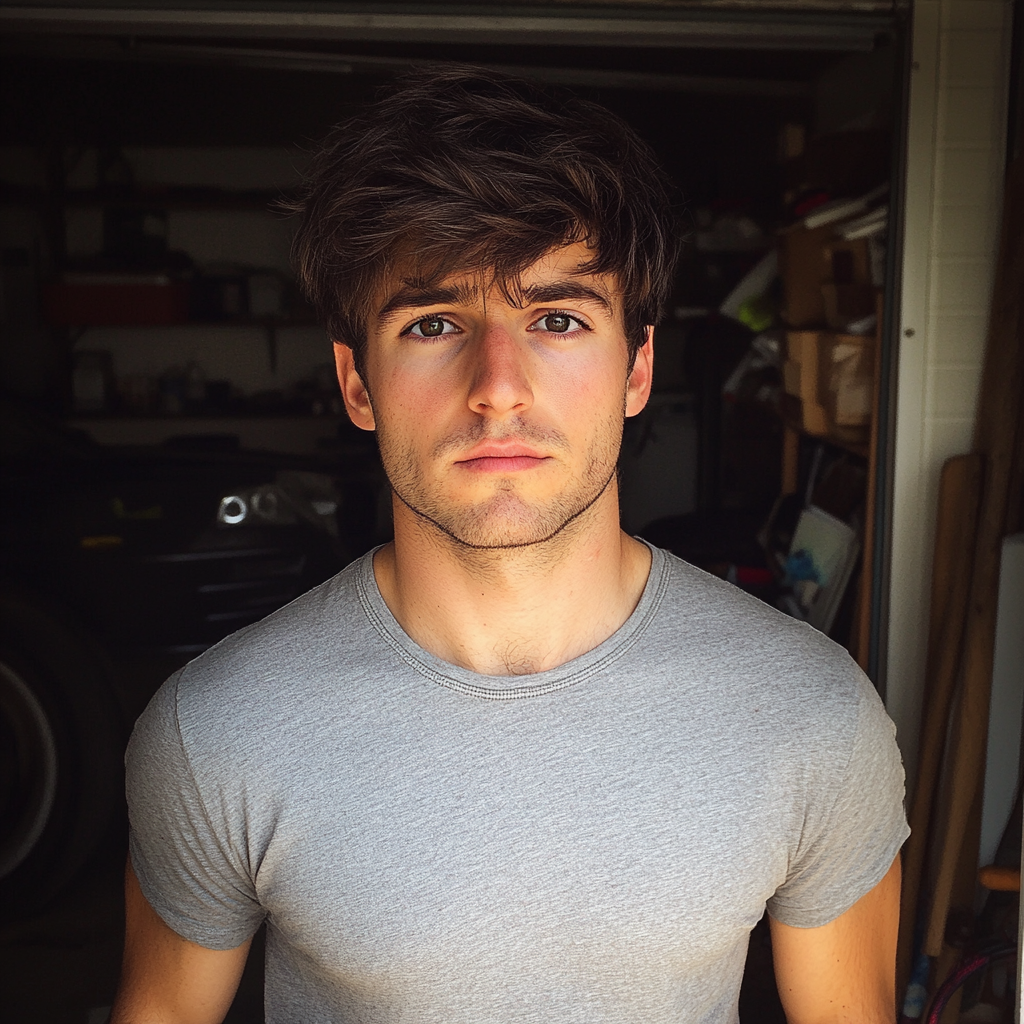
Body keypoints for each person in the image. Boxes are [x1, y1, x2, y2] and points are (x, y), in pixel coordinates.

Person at [113, 69, 908, 1024]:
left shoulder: (811, 717)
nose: (498, 386)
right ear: (356, 383)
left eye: (558, 319)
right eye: (435, 323)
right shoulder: (217, 732)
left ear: (638, 367)